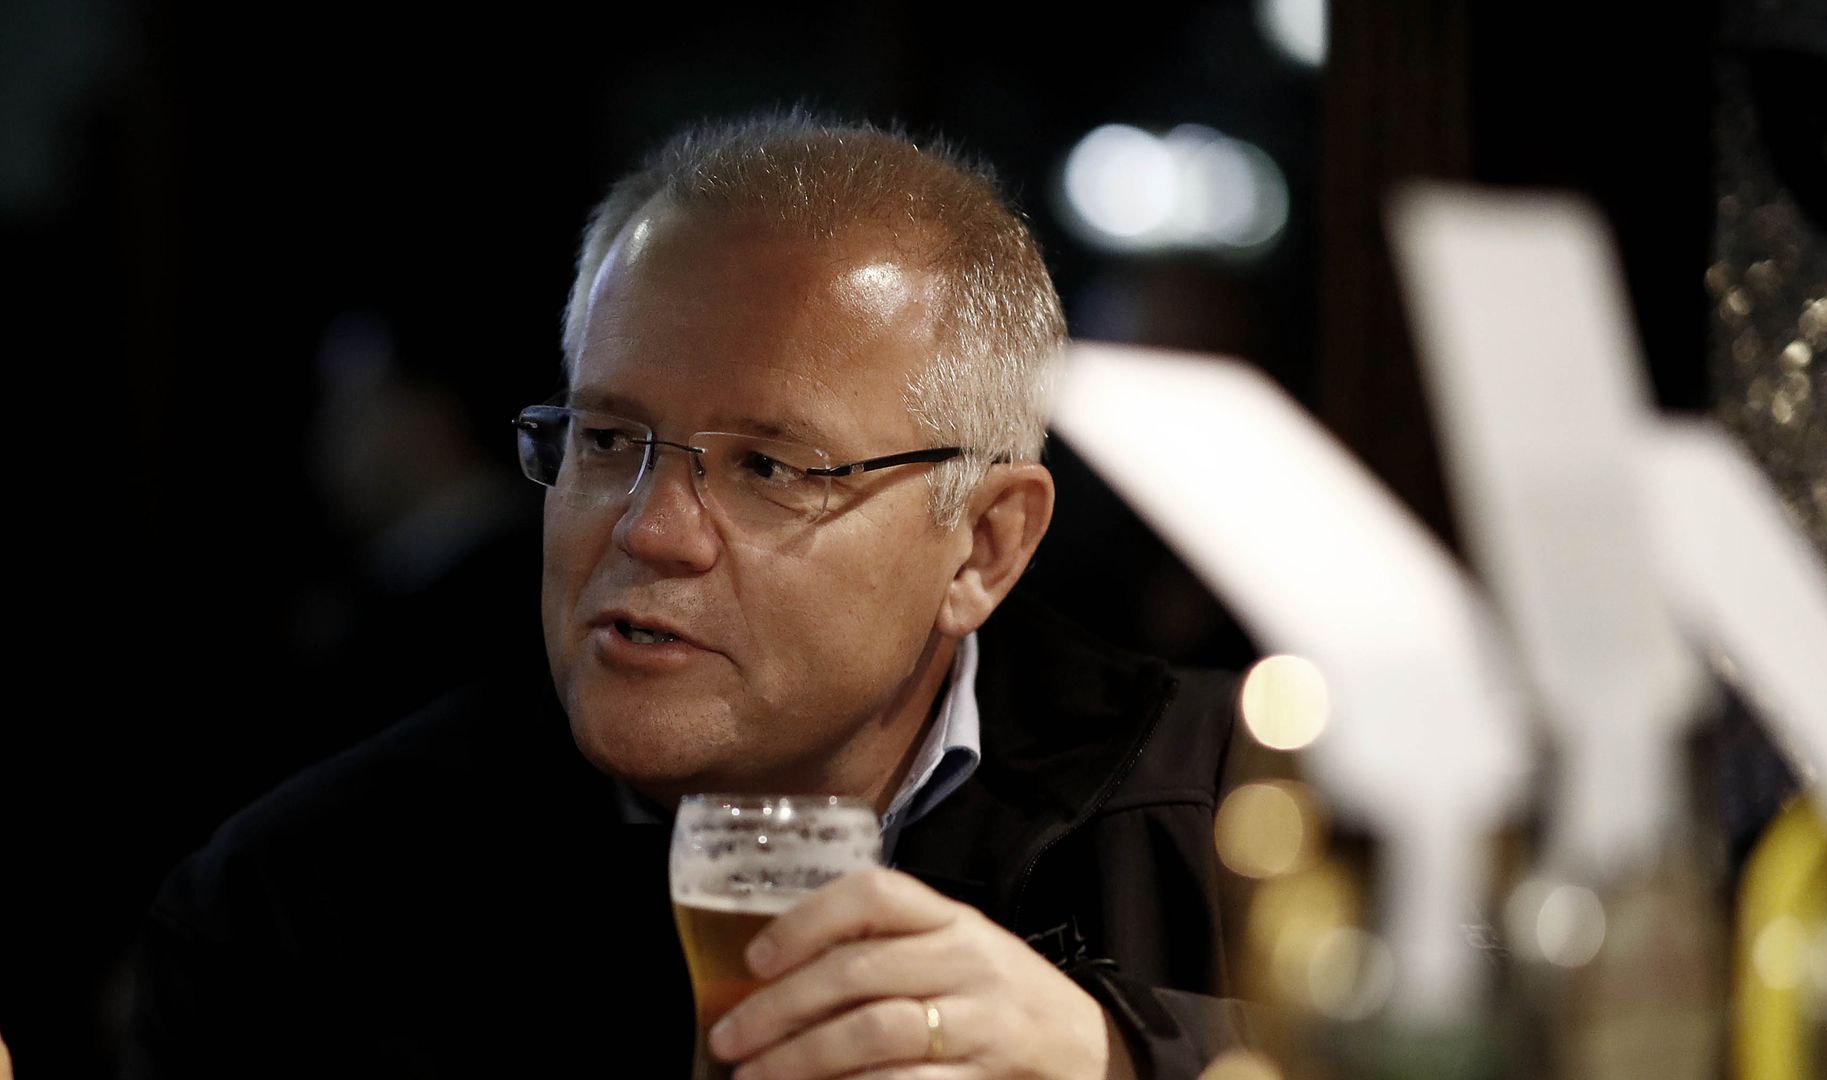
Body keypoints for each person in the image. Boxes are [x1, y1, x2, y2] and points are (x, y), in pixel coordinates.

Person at [123, 114, 1246, 1079]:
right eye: (609, 441)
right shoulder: (293, 910)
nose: (650, 530)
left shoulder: (1237, 813)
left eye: (768, 467)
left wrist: (1122, 1054)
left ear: (983, 548)